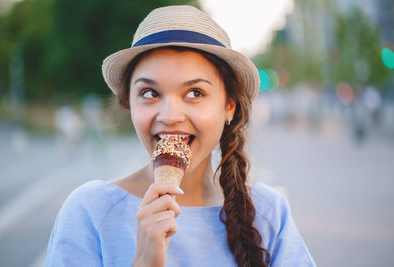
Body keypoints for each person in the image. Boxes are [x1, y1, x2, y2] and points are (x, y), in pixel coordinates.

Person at [45, 5, 316, 267]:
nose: (170, 115)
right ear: (130, 103)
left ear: (229, 106)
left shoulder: (268, 214)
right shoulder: (89, 212)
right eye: (150, 93)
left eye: (195, 93)